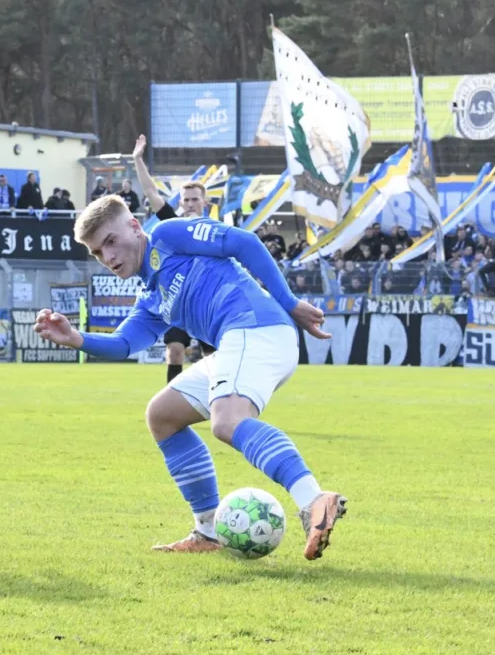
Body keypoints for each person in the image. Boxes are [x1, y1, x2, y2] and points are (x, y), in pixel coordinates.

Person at [33, 195, 347, 561]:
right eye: (98, 253)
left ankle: (312, 499)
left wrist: (289, 302)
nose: (108, 257)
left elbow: (244, 242)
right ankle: (208, 530)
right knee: (162, 414)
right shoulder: (151, 296)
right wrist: (77, 339)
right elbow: (123, 344)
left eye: (111, 241)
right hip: (240, 342)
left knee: (227, 421)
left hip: (257, 328)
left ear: (134, 226)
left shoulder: (168, 235)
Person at [132, 133, 213, 383]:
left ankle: (216, 400)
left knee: (212, 357)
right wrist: (137, 159)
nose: (189, 204)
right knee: (175, 351)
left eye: (194, 200)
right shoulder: (172, 223)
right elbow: (150, 190)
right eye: (185, 199)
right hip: (178, 301)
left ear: (204, 202)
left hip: (206, 301)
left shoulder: (214, 229)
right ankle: (172, 402)